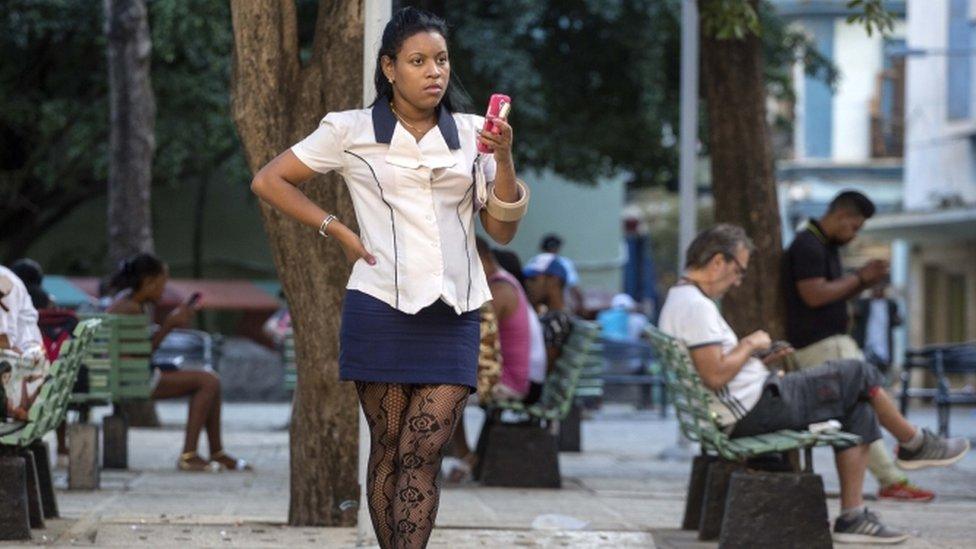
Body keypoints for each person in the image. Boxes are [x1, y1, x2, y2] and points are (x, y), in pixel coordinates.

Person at [248, 8, 528, 547]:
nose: (434, 72)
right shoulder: (349, 130)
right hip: (379, 306)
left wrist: (505, 157)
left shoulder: (474, 135)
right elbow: (270, 180)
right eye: (418, 61)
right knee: (389, 447)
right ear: (389, 68)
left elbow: (502, 228)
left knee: (424, 447)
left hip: (455, 312)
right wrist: (337, 230)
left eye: (441, 60)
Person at [661, 224, 969, 544]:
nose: (738, 280)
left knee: (858, 405)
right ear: (716, 263)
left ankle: (853, 517)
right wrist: (750, 344)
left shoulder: (681, 299)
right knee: (858, 372)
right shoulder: (696, 306)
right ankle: (915, 443)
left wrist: (758, 360)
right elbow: (714, 376)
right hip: (756, 409)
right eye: (738, 270)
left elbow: (714, 371)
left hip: (750, 405)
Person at [785, 191, 932, 502]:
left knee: (862, 409)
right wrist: (859, 278)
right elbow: (814, 295)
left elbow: (834, 293)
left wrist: (863, 283)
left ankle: (897, 467)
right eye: (855, 227)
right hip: (822, 345)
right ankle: (909, 445)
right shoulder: (807, 245)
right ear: (841, 216)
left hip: (833, 343)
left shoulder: (826, 247)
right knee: (866, 396)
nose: (856, 234)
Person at [105, 253, 251, 473]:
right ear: (148, 282)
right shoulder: (130, 308)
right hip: (132, 379)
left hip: (132, 374)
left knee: (211, 379)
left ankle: (217, 452)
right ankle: (189, 455)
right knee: (208, 381)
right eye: (161, 285)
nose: (163, 291)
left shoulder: (129, 301)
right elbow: (143, 353)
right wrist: (169, 325)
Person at [524, 254, 574, 379]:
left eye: (534, 279)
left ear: (554, 280)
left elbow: (545, 370)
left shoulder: (556, 320)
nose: (528, 285)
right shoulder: (551, 315)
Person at [853, 281, 902, 375]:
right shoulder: (864, 304)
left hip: (883, 348)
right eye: (875, 288)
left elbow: (897, 321)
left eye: (880, 288)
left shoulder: (890, 305)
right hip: (866, 347)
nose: (877, 291)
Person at [533, 233, 585, 314]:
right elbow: (575, 289)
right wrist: (581, 308)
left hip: (537, 309)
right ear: (557, 248)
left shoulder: (533, 262)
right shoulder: (564, 263)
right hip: (559, 308)